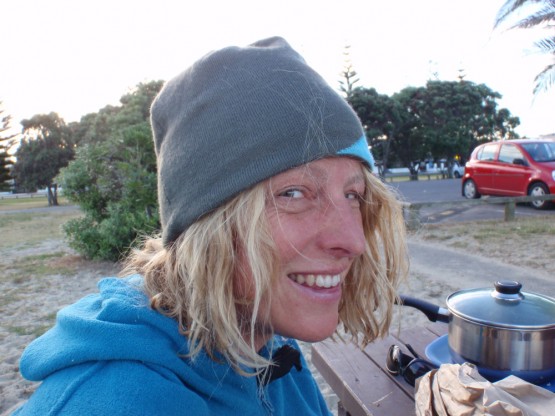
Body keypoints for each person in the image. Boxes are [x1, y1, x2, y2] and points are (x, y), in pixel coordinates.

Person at [13, 36, 408, 415]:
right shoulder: (118, 401)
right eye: (293, 193)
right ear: (208, 222)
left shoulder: (266, 341)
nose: (353, 241)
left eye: (353, 195)